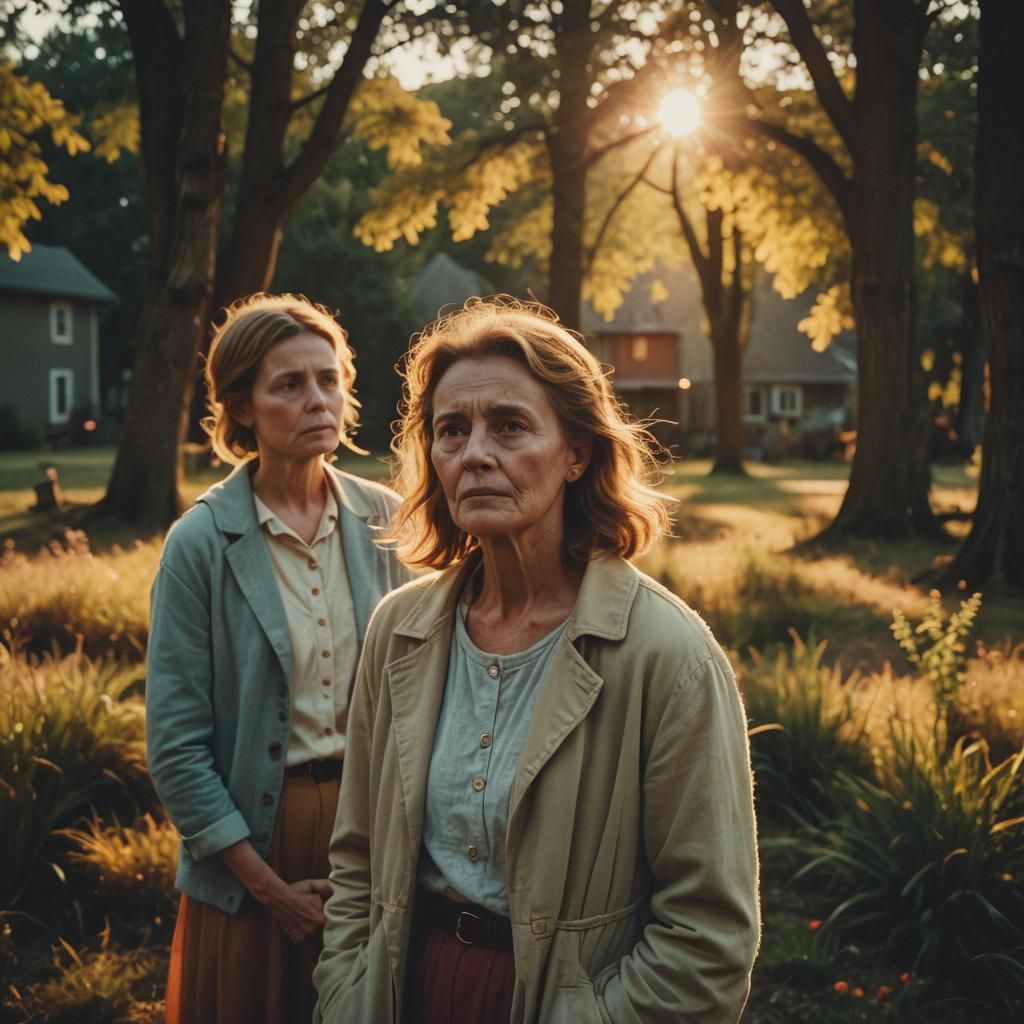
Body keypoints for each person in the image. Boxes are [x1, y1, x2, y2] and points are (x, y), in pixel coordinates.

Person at [313, 298, 760, 1024]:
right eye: (451, 430)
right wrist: (344, 993)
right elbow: (357, 858)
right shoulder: (399, 630)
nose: (475, 453)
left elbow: (708, 938)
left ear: (577, 453)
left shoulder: (666, 655)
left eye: (510, 425)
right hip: (402, 990)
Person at [146, 293, 413, 1024]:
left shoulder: (388, 522)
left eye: (328, 380)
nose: (317, 400)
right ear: (241, 407)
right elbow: (175, 747)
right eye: (289, 385)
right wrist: (269, 889)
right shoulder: (199, 544)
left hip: (372, 826)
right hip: (251, 849)